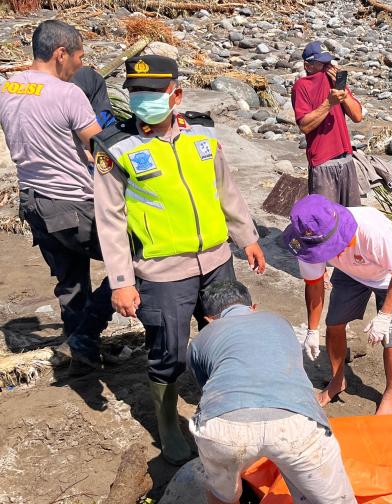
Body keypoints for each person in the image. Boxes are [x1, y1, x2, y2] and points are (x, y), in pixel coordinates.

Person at [92, 55, 267, 465]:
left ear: (176, 95)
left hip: (218, 260)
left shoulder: (202, 133)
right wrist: (121, 280)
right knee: (169, 351)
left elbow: (226, 189)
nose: (143, 101)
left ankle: (223, 405)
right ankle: (168, 421)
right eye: (136, 93)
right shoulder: (116, 148)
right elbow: (110, 220)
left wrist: (248, 237)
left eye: (152, 93)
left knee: (227, 339)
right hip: (162, 271)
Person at [0, 20, 114, 372]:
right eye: (78, 56)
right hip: (71, 203)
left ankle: (81, 356)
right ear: (60, 53)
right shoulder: (68, 94)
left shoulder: (8, 88)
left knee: (71, 280)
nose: (81, 65)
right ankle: (85, 335)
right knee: (141, 256)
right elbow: (100, 150)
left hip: (32, 203)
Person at [189, 281, 356, 504]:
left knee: (222, 496)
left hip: (224, 428)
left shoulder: (200, 340)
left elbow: (209, 391)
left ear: (209, 319)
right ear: (253, 307)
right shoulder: (279, 322)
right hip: (296, 423)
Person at [283, 195, 392, 415]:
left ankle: (391, 392)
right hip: (351, 271)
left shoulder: (372, 232)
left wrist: (384, 315)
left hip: (390, 273)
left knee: (390, 335)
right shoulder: (307, 240)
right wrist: (312, 330)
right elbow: (314, 285)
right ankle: (337, 381)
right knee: (334, 323)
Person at [292, 41, 364, 206]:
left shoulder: (336, 83)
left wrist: (343, 90)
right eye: (322, 64)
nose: (328, 68)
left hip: (346, 158)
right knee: (326, 220)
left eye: (329, 63)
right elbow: (305, 125)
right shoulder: (302, 86)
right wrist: (328, 103)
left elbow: (357, 116)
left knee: (352, 216)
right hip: (322, 162)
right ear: (308, 66)